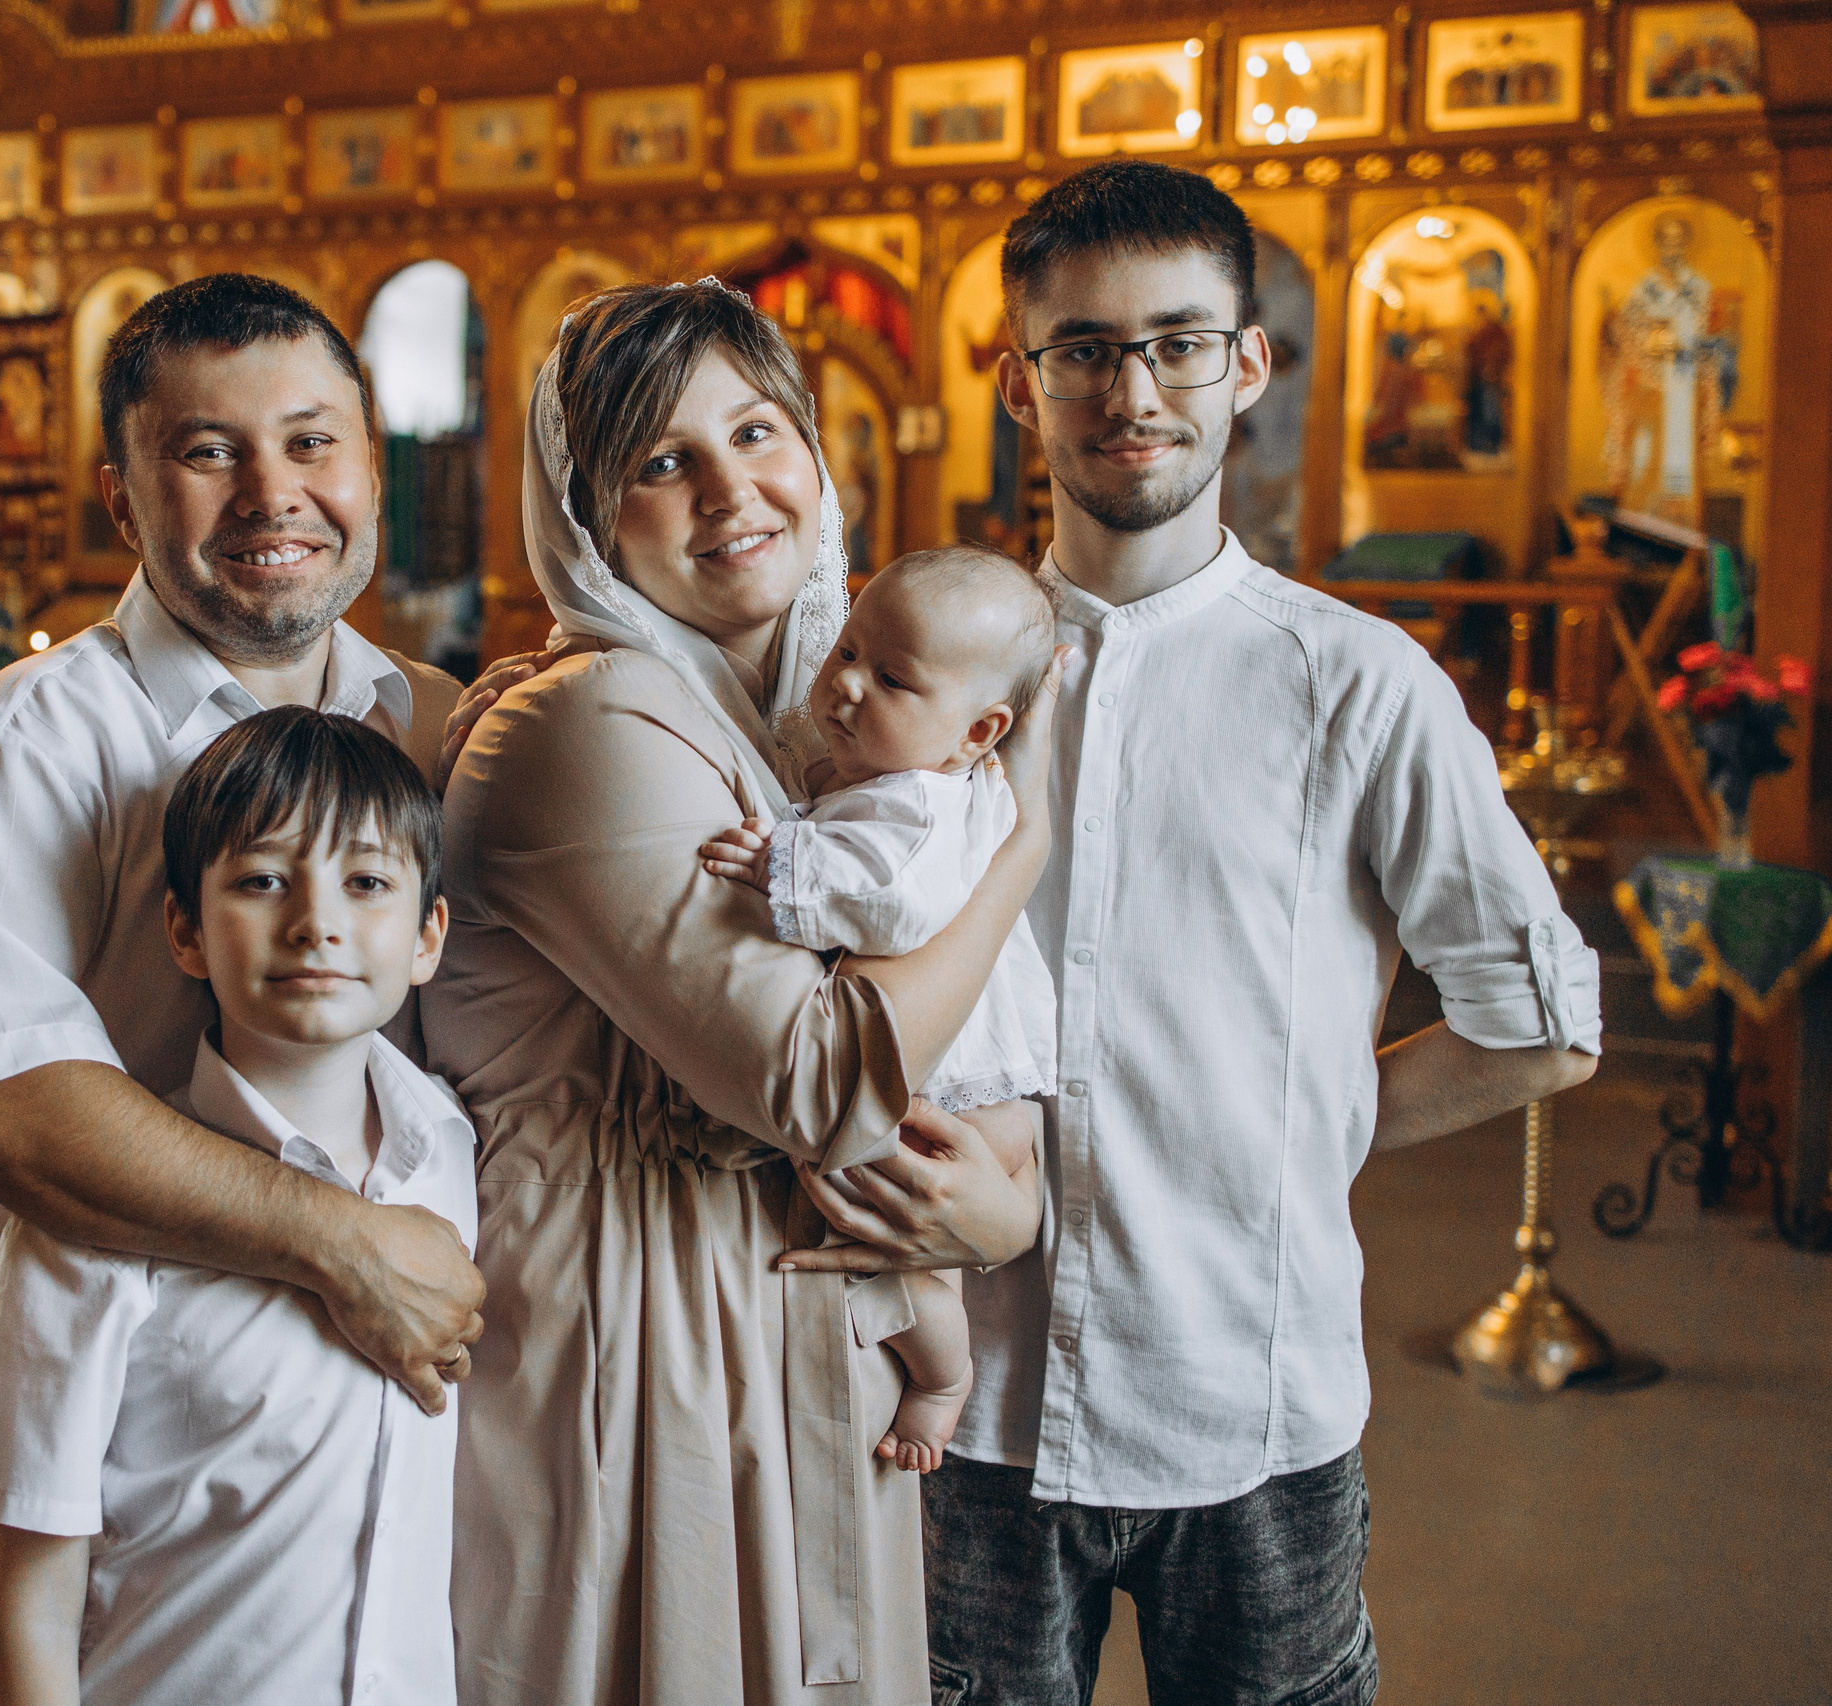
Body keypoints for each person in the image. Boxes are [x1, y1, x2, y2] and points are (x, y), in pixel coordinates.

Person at [863, 158, 1603, 1706]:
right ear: (1019, 380)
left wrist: (1300, 1127)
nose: (1133, 388)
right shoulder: (922, 665)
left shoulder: (1356, 679)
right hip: (961, 1396)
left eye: (1179, 341)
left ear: (1248, 362)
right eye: (1084, 349)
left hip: (1249, 1394)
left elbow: (1538, 1020)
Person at [0, 274, 480, 1706]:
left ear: (371, 458)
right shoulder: (36, 738)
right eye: (209, 453)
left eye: (312, 442)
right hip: (32, 1455)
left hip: (346, 1440)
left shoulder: (438, 729)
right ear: (123, 497)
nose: (275, 492)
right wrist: (340, 1242)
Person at [427, 279, 1052, 1706]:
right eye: (661, 460)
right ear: (586, 516)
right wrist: (1028, 849)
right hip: (627, 1347)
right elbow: (822, 1080)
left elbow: (956, 1074)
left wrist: (1005, 1207)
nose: (734, 490)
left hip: (772, 1328)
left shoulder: (818, 726)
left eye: (759, 429)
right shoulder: (589, 717)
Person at [0, 708, 470, 1706]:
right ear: (185, 929)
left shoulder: (452, 1148)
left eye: (365, 882)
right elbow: (30, 1595)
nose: (315, 920)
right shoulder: (95, 1222)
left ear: (426, 937)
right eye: (262, 879)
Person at [697, 545, 1060, 1471]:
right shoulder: (928, 782)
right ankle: (938, 1373)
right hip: (979, 1091)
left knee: (895, 1254)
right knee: (896, 1251)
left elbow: (889, 898)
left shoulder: (922, 813)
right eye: (849, 648)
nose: (847, 684)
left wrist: (780, 860)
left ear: (980, 732)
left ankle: (941, 1381)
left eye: (892, 678)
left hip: (963, 1098)